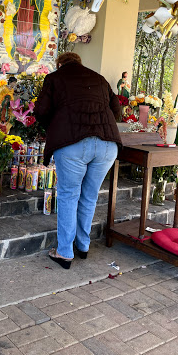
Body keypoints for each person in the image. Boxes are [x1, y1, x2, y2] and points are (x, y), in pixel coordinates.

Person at [34, 52, 121, 269]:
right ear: (80, 63)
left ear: (60, 64)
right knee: (89, 197)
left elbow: (41, 111)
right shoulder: (99, 79)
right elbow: (117, 111)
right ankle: (83, 246)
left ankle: (64, 252)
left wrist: (55, 124)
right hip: (107, 144)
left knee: (68, 196)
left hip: (72, 143)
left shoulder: (54, 78)